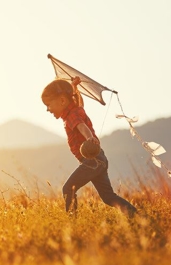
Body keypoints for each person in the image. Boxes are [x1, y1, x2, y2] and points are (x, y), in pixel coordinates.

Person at [41, 77, 137, 217]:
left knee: (68, 189)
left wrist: (89, 137)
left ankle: (72, 222)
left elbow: (82, 126)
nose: (47, 109)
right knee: (108, 197)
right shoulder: (76, 109)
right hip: (99, 160)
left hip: (92, 161)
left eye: (48, 105)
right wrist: (73, 87)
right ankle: (136, 215)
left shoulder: (71, 116)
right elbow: (78, 101)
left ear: (62, 101)